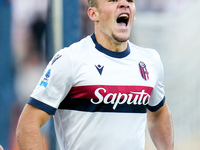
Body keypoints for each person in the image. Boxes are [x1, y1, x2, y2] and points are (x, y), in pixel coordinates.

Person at [16, 0, 174, 149]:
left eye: (130, 1)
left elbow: (159, 112)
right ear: (93, 14)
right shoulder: (70, 60)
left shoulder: (150, 60)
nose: (124, 4)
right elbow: (28, 124)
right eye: (113, 0)